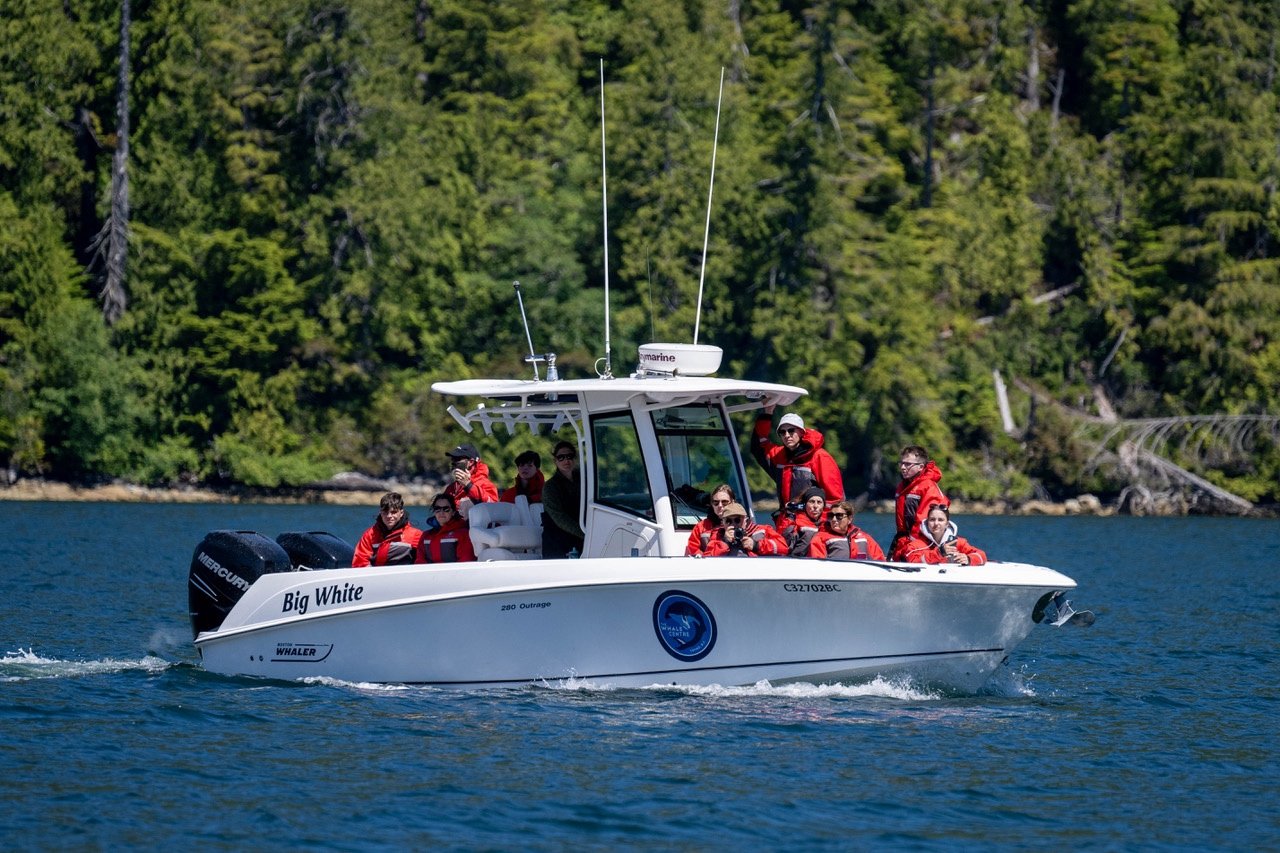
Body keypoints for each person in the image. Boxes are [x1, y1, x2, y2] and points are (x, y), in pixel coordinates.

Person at [751, 404, 845, 509]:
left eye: (791, 430)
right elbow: (758, 446)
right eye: (782, 432)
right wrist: (768, 412)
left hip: (811, 522)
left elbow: (835, 500)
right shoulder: (779, 455)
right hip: (785, 521)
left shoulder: (820, 457)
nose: (787, 435)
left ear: (801, 432)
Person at [889, 444, 949, 561]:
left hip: (922, 544)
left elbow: (927, 521)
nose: (902, 467)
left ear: (920, 467)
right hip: (902, 541)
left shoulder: (928, 487)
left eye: (907, 464)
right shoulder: (903, 486)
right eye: (901, 463)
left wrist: (913, 543)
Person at [352, 492, 425, 567]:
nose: (389, 516)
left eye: (394, 512)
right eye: (385, 512)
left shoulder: (416, 535)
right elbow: (360, 562)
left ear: (401, 513)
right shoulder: (370, 534)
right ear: (380, 513)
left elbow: (423, 561)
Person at [901, 504, 987, 566]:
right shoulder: (915, 545)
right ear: (927, 523)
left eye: (941, 520)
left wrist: (969, 559)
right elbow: (911, 561)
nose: (936, 523)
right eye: (932, 519)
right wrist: (939, 553)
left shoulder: (958, 542)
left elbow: (982, 555)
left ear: (947, 524)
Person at [542, 439, 584, 558]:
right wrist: (585, 533)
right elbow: (560, 518)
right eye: (561, 457)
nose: (566, 460)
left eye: (570, 456)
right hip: (557, 543)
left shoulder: (586, 481)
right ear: (555, 460)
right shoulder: (550, 487)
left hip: (581, 541)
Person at [701, 502, 787, 557]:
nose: (733, 524)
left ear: (746, 520)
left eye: (738, 520)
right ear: (723, 522)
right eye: (728, 521)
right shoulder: (717, 535)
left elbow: (783, 548)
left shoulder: (762, 530)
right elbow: (708, 558)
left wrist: (756, 545)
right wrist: (725, 542)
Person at [809, 500, 886, 561]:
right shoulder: (820, 538)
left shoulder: (865, 538)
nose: (834, 519)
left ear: (849, 519)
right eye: (831, 516)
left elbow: (880, 559)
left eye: (839, 516)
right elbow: (817, 565)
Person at [416, 493, 477, 563]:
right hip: (430, 573)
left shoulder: (463, 534)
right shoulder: (426, 536)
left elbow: (465, 561)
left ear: (453, 512)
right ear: (434, 512)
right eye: (437, 509)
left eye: (446, 509)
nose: (441, 512)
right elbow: (420, 561)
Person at [443, 443, 499, 518]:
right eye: (452, 459)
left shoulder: (486, 485)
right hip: (453, 528)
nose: (453, 463)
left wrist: (468, 485)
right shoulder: (451, 488)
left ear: (471, 462)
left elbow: (493, 509)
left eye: (457, 459)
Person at [685, 484, 738, 556]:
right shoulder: (701, 527)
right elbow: (693, 552)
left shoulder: (744, 523)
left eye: (724, 502)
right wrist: (725, 542)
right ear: (711, 504)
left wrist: (754, 544)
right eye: (716, 502)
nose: (720, 505)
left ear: (733, 502)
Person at [776, 485, 827, 557]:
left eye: (819, 502)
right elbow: (782, 541)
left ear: (823, 506)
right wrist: (788, 516)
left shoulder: (828, 523)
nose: (815, 506)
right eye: (812, 502)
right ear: (804, 505)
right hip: (798, 561)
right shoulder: (795, 521)